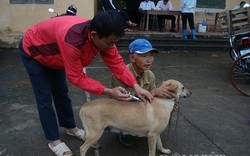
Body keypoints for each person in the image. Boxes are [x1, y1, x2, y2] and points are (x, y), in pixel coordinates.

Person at [18, 10, 153, 156]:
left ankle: (70, 128)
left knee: (61, 92)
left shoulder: (103, 33)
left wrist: (136, 86)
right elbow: (76, 77)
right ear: (94, 35)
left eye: (114, 42)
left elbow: (117, 63)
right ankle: (54, 140)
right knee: (44, 98)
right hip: (35, 51)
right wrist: (108, 91)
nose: (111, 46)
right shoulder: (72, 40)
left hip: (57, 55)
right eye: (110, 43)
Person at [111, 38, 179, 147]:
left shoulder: (150, 75)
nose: (149, 60)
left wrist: (168, 104)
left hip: (139, 108)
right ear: (132, 58)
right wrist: (153, 92)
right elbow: (123, 100)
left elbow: (152, 98)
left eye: (151, 55)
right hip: (122, 109)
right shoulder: (120, 73)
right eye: (144, 56)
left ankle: (139, 127)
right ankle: (122, 131)